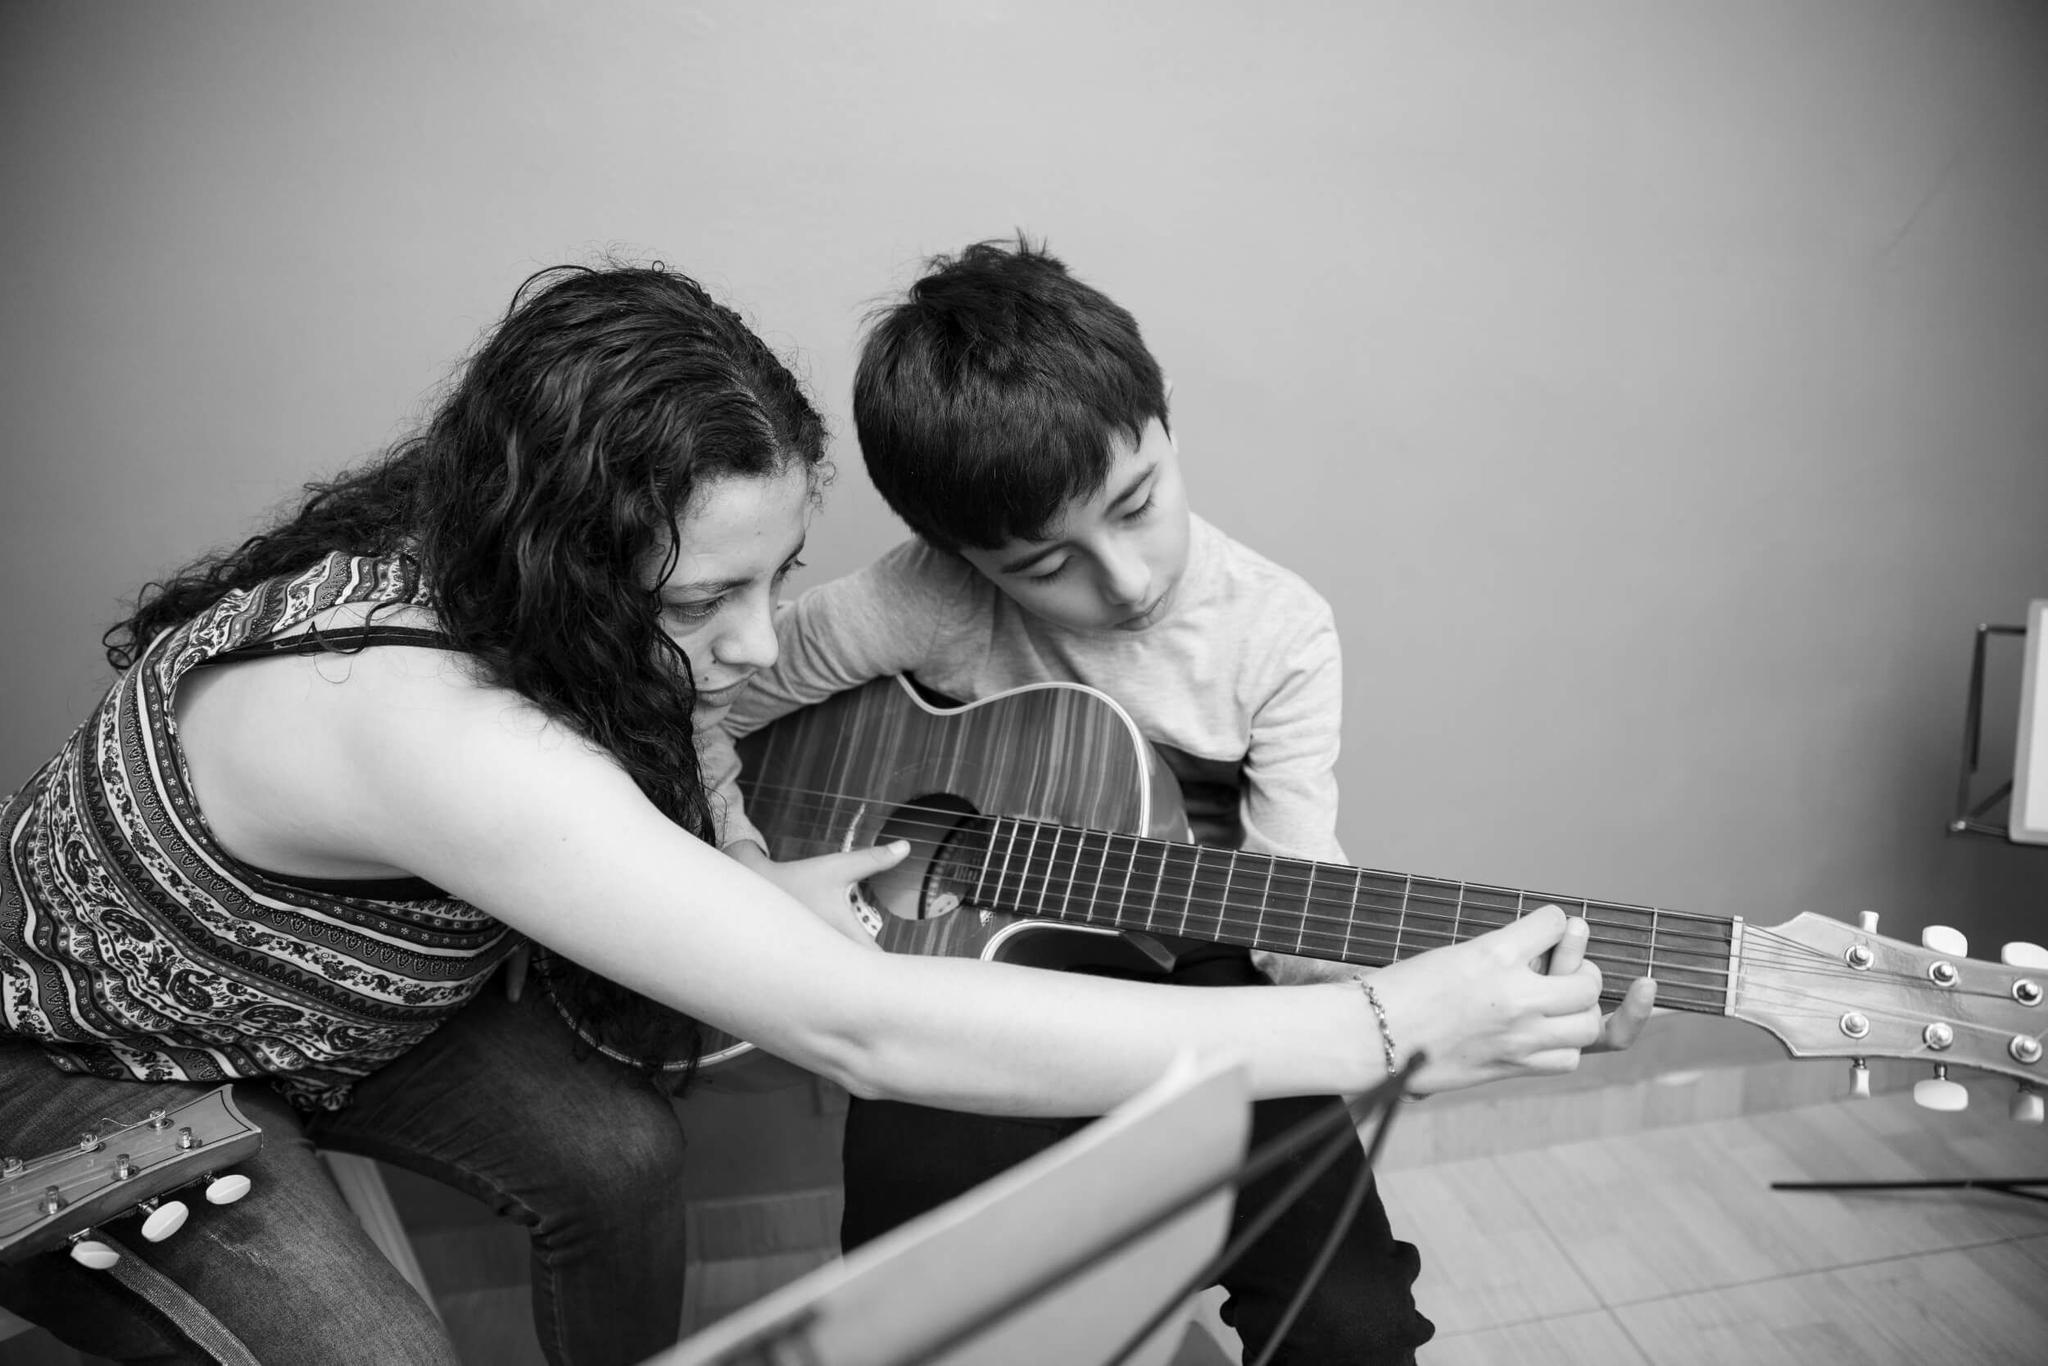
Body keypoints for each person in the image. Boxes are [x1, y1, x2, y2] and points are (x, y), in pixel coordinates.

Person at [2, 262, 1634, 1366]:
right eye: (711, 598)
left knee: (622, 1157)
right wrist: (1381, 1024)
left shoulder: (484, 566)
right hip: (91, 1068)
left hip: (354, 1004)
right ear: (567, 559)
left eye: (780, 575)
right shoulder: (423, 724)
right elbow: (867, 1034)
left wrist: (749, 885)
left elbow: (701, 846)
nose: (764, 644)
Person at [716, 238, 1660, 1364]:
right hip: (962, 1007)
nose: (1120, 578)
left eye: (1136, 501)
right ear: (960, 553)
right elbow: (700, 705)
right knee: (913, 1321)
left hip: (1212, 985)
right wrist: (745, 863)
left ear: (1163, 421)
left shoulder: (1279, 632)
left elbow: (1299, 914)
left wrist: (1511, 1005)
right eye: (1041, 563)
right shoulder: (928, 596)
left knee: (1352, 1332)